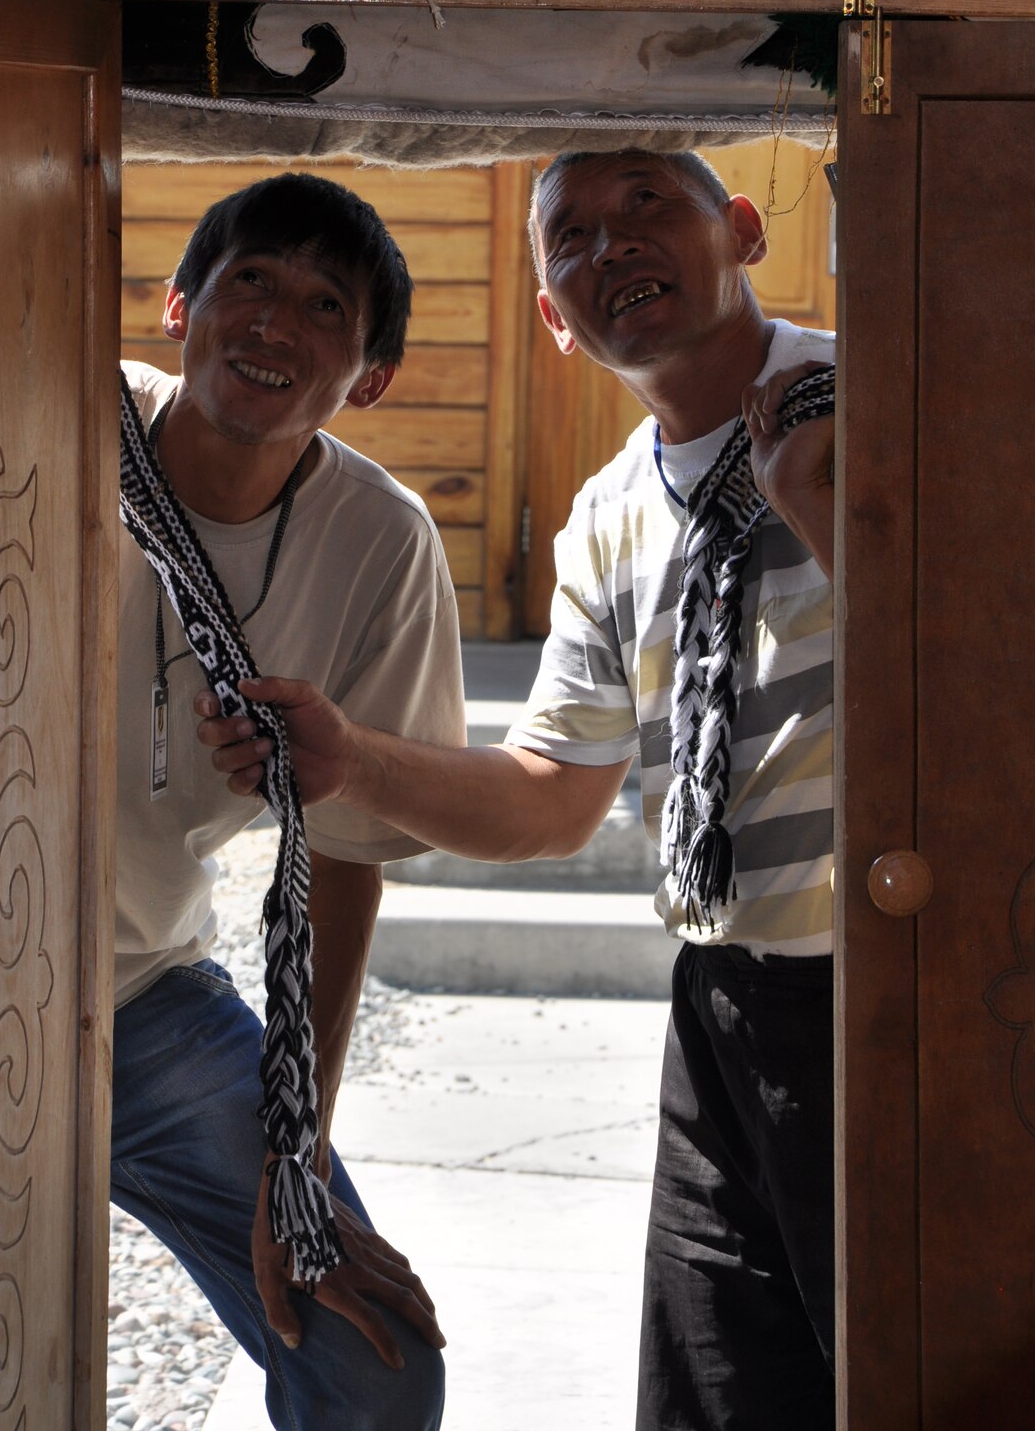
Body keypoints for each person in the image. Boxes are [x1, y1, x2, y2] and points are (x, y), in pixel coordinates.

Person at [200, 148, 836, 1431]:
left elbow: (1016, 667)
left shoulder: (889, 398)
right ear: (552, 317)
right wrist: (351, 760)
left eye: (647, 204)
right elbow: (552, 795)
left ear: (746, 229)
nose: (611, 248)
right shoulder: (607, 513)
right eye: (572, 237)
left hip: (898, 983)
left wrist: (837, 522)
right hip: (721, 1009)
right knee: (715, 1389)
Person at [113, 171, 463, 1431]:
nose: (274, 321)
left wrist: (295, 1147)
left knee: (373, 1361)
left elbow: (357, 851)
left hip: (138, 993)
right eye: (248, 279)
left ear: (364, 374)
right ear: (177, 305)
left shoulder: (379, 538)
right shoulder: (53, 414)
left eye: (325, 304)